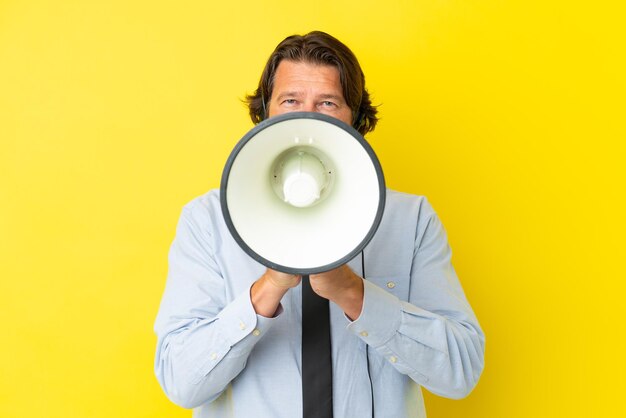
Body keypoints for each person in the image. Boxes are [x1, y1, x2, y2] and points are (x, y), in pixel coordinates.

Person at [154, 31, 485, 418]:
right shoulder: (207, 221)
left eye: (327, 103)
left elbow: (460, 373)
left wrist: (353, 293)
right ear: (264, 113)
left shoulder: (410, 220)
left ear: (357, 120)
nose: (307, 117)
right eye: (290, 100)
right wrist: (266, 290)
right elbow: (181, 383)